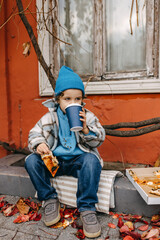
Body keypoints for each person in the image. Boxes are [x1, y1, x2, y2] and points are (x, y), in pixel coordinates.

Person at [25, 66, 105, 238]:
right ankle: (49, 199)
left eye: (77, 99)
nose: (72, 103)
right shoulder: (49, 118)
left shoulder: (87, 116)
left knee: (92, 160)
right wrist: (38, 144)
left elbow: (100, 137)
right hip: (54, 162)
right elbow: (34, 133)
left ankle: (87, 208)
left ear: (82, 100)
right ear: (58, 99)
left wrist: (85, 130)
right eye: (67, 98)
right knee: (31, 160)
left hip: (78, 162)